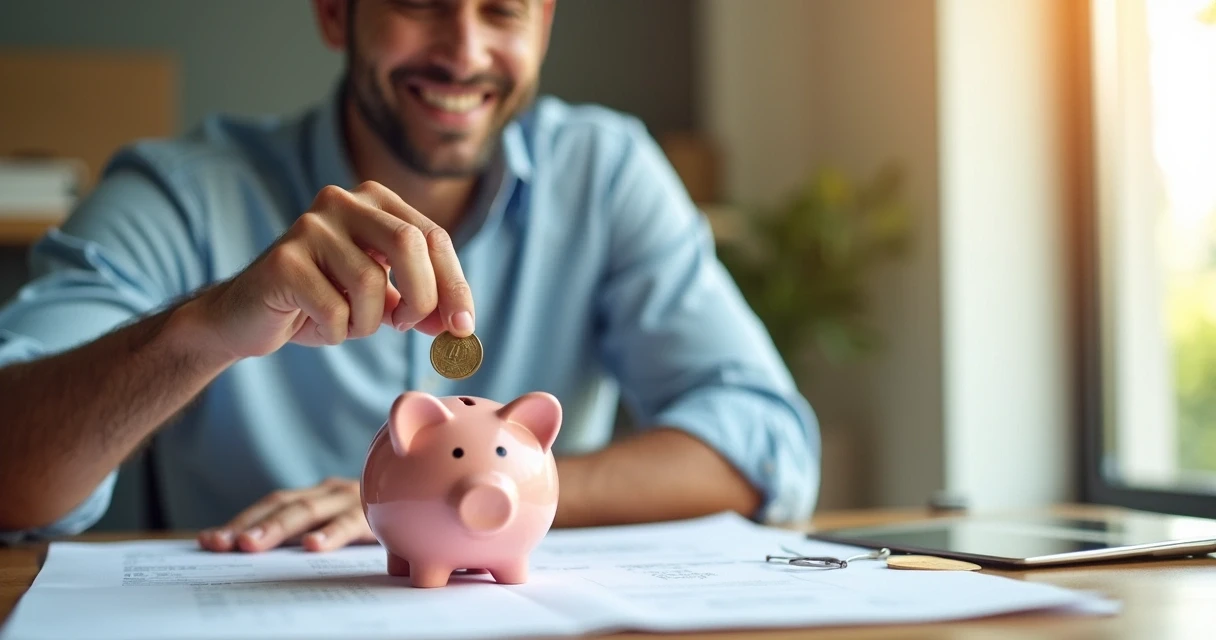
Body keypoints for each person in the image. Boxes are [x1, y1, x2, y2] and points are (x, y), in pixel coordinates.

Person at [0, 0, 820, 552]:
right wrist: (201, 327)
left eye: (501, 8)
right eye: (418, 1)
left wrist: (470, 483)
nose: (464, 52)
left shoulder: (607, 173)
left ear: (545, 21)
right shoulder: (177, 194)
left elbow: (763, 441)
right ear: (334, 12)